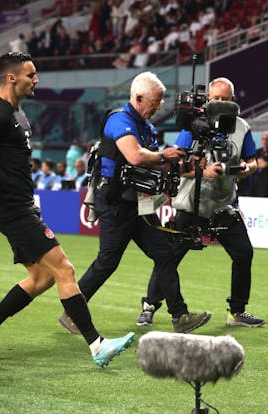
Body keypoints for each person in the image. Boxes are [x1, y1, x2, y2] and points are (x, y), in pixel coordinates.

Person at [0, 52, 133, 367]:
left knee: (41, 278)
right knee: (65, 269)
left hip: (23, 207)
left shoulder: (18, 114)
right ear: (11, 77)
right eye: (31, 75)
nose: (37, 80)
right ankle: (97, 345)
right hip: (13, 209)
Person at [57, 71, 211, 335]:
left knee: (164, 254)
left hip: (138, 203)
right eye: (156, 101)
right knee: (107, 262)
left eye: (162, 101)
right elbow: (136, 157)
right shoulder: (119, 120)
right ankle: (72, 313)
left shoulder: (147, 127)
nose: (159, 106)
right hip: (116, 203)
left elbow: (159, 163)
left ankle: (180, 316)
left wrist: (183, 162)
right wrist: (165, 155)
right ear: (139, 97)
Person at [141, 77, 265, 328]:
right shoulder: (192, 126)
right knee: (170, 256)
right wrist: (202, 171)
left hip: (223, 203)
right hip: (191, 202)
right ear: (207, 100)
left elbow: (254, 161)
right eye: (215, 98)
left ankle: (237, 312)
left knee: (243, 253)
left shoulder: (242, 127)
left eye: (225, 99)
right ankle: (149, 305)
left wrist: (244, 167)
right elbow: (175, 163)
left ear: (233, 101)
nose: (220, 103)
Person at [253, 130, 268, 197]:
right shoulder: (258, 151)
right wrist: (259, 163)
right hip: (257, 181)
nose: (265, 141)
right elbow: (254, 164)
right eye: (263, 139)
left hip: (267, 182)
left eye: (267, 139)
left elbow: (264, 165)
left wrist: (259, 162)